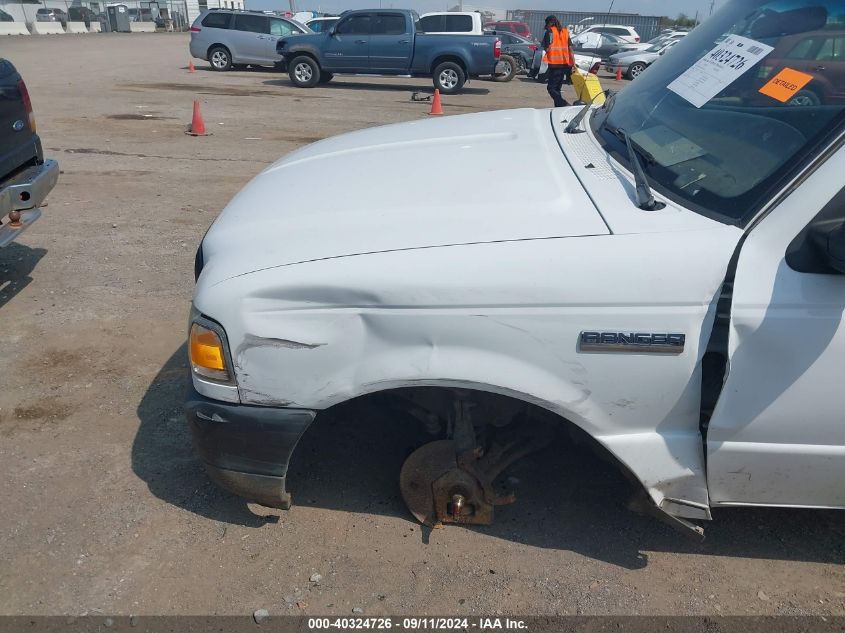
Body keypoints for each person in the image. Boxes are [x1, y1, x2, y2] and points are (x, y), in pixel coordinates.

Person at [541, 15, 574, 108]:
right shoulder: (565, 32)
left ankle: (564, 104)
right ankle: (558, 108)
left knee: (551, 88)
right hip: (565, 65)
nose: (546, 26)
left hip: (555, 65)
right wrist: (573, 63)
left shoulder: (550, 32)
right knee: (557, 89)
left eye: (546, 24)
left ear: (550, 23)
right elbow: (570, 49)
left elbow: (547, 48)